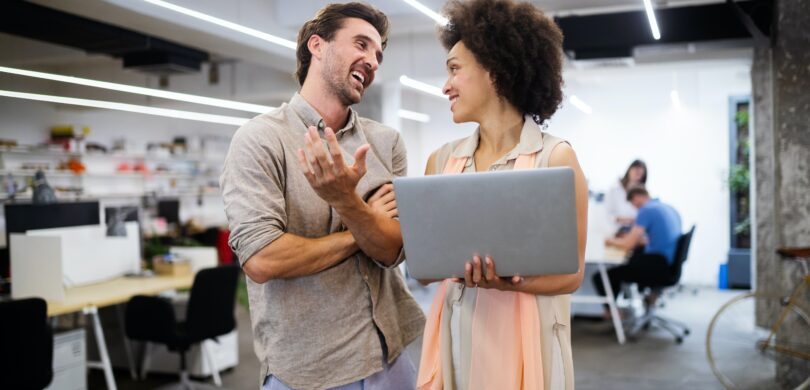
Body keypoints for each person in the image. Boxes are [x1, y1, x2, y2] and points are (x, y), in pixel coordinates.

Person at [220, 3, 424, 389]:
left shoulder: (385, 143)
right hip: (308, 369)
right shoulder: (261, 140)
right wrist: (359, 224)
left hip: (389, 357)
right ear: (317, 45)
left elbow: (392, 249)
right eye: (361, 44)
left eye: (378, 53)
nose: (372, 61)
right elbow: (263, 259)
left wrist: (346, 203)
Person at [416, 1, 589, 389]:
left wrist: (504, 282)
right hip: (457, 334)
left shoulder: (555, 158)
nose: (446, 85)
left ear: (494, 70)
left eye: (455, 69)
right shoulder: (441, 161)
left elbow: (572, 274)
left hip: (527, 339)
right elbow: (424, 270)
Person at [594, 186, 683, 308]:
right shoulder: (665, 207)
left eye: (632, 203)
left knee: (602, 276)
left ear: (636, 197)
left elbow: (628, 244)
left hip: (657, 265)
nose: (634, 207)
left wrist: (610, 241)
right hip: (669, 265)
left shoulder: (646, 210)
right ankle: (649, 299)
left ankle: (614, 316)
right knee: (633, 257)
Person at [605, 159, 647, 228]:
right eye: (637, 172)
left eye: (641, 175)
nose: (638, 177)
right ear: (629, 170)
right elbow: (608, 214)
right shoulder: (614, 189)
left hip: (635, 230)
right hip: (616, 230)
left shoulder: (643, 195)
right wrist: (624, 219)